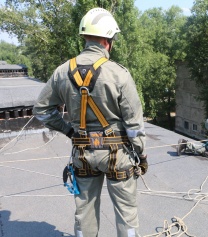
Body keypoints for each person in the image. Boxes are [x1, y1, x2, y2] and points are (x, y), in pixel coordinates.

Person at [33, 8, 146, 237]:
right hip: (119, 155)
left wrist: (70, 132)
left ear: (85, 37)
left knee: (84, 212)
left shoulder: (62, 72)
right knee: (126, 213)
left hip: (83, 152)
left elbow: (42, 111)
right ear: (108, 40)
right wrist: (141, 155)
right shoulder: (119, 74)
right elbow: (134, 127)